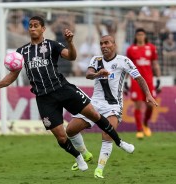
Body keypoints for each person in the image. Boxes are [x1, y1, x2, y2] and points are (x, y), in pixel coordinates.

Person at [0, 16, 135, 172]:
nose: (32, 28)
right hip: (44, 98)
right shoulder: (21, 52)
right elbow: (13, 75)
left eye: (36, 25)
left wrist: (70, 42)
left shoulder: (52, 45)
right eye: (30, 26)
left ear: (43, 29)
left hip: (63, 89)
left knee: (94, 115)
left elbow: (72, 56)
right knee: (61, 137)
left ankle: (120, 142)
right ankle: (78, 157)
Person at [67, 35, 158, 178]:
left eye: (106, 43)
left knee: (107, 134)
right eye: (101, 43)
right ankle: (85, 154)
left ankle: (99, 169)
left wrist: (148, 94)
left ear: (114, 45)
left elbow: (138, 77)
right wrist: (97, 74)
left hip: (113, 105)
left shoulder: (124, 61)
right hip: (94, 103)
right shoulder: (96, 60)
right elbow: (88, 74)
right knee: (70, 130)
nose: (103, 46)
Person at [125, 28, 161, 139]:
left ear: (145, 36)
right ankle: (139, 130)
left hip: (149, 81)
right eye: (138, 34)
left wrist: (158, 79)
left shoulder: (151, 48)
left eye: (142, 34)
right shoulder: (131, 49)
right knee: (138, 105)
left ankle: (145, 124)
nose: (140, 36)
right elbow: (127, 66)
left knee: (150, 105)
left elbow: (155, 64)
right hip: (135, 81)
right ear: (136, 36)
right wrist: (126, 81)